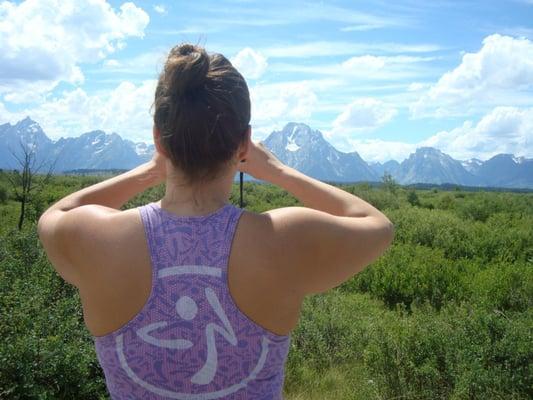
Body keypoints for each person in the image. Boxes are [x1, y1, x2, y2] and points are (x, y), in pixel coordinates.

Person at [37, 43, 394, 399]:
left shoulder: (96, 239)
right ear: (244, 144)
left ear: (158, 139)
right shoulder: (283, 240)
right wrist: (279, 171)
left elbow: (55, 215)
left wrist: (149, 171)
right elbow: (376, 225)